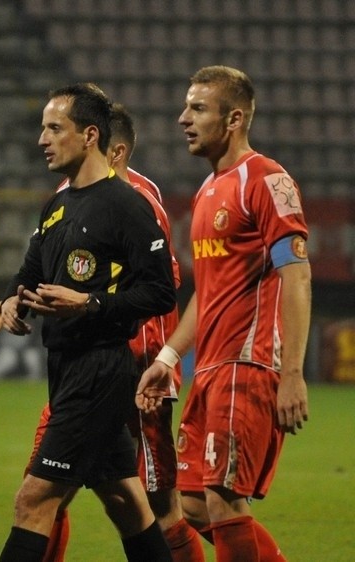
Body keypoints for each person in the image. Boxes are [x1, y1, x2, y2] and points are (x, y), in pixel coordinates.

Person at [0, 103, 204, 561]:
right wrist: (6, 302)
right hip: (68, 369)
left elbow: (161, 292)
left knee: (36, 498)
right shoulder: (60, 200)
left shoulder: (130, 201)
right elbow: (30, 271)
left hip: (105, 370)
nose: (41, 139)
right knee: (125, 500)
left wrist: (91, 306)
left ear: (92, 136)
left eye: (53, 128)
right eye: (42, 128)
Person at [136, 65, 311, 562]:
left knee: (223, 499)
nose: (182, 119)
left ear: (233, 119)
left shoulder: (267, 180)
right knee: (192, 504)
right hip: (209, 369)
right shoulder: (208, 190)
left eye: (197, 109)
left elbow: (296, 275)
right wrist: (170, 357)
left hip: (246, 363)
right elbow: (206, 293)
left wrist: (292, 373)